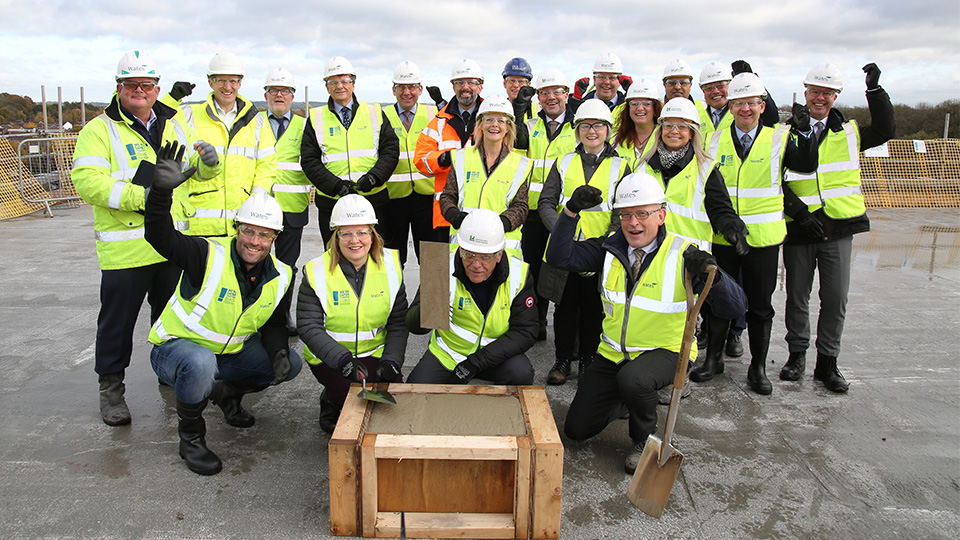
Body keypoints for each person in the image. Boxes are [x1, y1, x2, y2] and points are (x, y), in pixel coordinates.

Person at [544, 173, 746, 473]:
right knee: (576, 429)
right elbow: (559, 256)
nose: (634, 223)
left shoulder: (683, 254)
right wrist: (571, 211)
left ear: (661, 215)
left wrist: (711, 274)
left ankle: (644, 439)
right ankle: (628, 400)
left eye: (642, 214)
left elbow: (735, 306)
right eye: (626, 215)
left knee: (635, 379)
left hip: (666, 351)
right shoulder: (610, 250)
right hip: (614, 353)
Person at [72, 51, 221, 426]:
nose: (140, 91)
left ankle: (169, 373)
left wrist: (208, 163)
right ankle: (111, 391)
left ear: (157, 90)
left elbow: (193, 175)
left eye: (147, 86)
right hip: (126, 249)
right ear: (119, 89)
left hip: (170, 243)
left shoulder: (174, 125)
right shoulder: (99, 130)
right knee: (116, 325)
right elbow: (89, 183)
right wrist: (149, 197)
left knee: (171, 318)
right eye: (132, 85)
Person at [144, 142, 302, 475]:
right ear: (237, 229)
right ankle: (191, 438)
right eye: (248, 231)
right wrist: (160, 193)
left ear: (275, 239)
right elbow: (159, 237)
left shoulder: (282, 274)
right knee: (200, 363)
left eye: (264, 235)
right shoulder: (205, 255)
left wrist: (278, 353)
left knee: (292, 364)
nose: (255, 242)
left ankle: (227, 394)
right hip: (176, 352)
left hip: (227, 355)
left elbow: (274, 322)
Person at [694, 73, 819, 394]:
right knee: (718, 299)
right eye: (738, 103)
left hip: (763, 240)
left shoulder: (779, 138)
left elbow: (805, 166)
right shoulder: (713, 140)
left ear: (762, 106)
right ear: (730, 105)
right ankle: (714, 360)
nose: (744, 109)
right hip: (723, 238)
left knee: (760, 305)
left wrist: (804, 134)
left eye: (751, 103)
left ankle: (758, 367)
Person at [780, 62, 895, 393]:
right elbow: (774, 180)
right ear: (805, 93)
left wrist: (875, 90)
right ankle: (796, 357)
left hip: (838, 227)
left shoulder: (850, 132)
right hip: (801, 227)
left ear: (835, 96)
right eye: (815, 92)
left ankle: (827, 363)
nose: (820, 98)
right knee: (796, 296)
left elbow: (886, 129)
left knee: (834, 298)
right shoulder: (787, 133)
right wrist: (799, 213)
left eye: (827, 93)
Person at [538, 99, 630, 385]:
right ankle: (563, 359)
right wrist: (561, 233)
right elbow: (546, 202)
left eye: (598, 126)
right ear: (577, 130)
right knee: (564, 307)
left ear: (608, 130)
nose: (592, 131)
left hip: (600, 252)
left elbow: (621, 212)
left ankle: (589, 359)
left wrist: (602, 246)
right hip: (566, 251)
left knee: (595, 308)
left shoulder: (621, 166)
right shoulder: (564, 162)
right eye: (585, 126)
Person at [297, 195, 407, 434]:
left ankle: (344, 393)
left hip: (374, 353)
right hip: (332, 359)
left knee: (389, 403)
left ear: (373, 234)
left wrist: (392, 360)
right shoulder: (316, 271)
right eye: (346, 233)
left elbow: (398, 323)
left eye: (362, 232)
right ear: (335, 237)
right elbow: (308, 326)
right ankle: (332, 399)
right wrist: (342, 360)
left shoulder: (391, 266)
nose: (354, 240)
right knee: (352, 397)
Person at [406, 209, 537, 385]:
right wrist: (428, 311)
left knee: (521, 373)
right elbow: (415, 327)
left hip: (495, 354)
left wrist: (476, 363)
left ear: (499, 255)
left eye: (485, 257)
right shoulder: (439, 262)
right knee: (415, 390)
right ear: (460, 249)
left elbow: (525, 331)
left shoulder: (519, 274)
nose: (476, 264)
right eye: (469, 254)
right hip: (449, 354)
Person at [167, 51, 277, 237]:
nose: (228, 87)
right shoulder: (189, 115)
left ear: (240, 83)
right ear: (211, 82)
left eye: (233, 81)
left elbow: (267, 166)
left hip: (241, 223)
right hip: (200, 225)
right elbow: (154, 120)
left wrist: (255, 203)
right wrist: (171, 98)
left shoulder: (256, 121)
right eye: (221, 81)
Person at [301, 56, 400, 245]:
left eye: (345, 81)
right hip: (332, 203)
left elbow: (390, 151)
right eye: (333, 82)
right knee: (335, 259)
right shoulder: (316, 117)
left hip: (373, 200)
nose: (340, 86)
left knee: (376, 257)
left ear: (353, 84)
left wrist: (374, 178)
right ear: (327, 87)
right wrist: (336, 186)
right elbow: (309, 160)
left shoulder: (374, 112)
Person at [521, 68, 578, 340]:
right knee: (533, 268)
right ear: (538, 98)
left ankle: (568, 327)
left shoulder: (579, 127)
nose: (551, 98)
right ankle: (538, 322)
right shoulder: (530, 126)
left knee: (564, 269)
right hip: (532, 214)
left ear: (567, 94)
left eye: (557, 91)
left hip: (564, 214)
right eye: (545, 93)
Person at [438, 95, 531, 260]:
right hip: (464, 244)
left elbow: (521, 206)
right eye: (489, 119)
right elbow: (448, 196)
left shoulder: (520, 164)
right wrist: (456, 216)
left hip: (503, 248)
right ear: (480, 124)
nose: (495, 125)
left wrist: (499, 225)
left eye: (501, 121)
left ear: (509, 127)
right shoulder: (461, 157)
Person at [261, 67, 310, 334]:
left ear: (292, 97)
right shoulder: (254, 124)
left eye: (285, 91)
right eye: (274, 91)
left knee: (286, 268)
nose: (280, 95)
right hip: (259, 209)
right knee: (254, 265)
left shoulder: (304, 126)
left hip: (293, 207)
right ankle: (256, 316)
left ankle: (281, 317)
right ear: (266, 95)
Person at [414, 59, 485, 239]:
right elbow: (420, 158)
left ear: (480, 86)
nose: (465, 87)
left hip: (483, 213)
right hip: (447, 215)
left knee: (479, 267)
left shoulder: (492, 119)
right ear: (453, 87)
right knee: (443, 267)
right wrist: (442, 159)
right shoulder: (438, 122)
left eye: (471, 82)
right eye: (460, 82)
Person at [380, 61, 439, 266]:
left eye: (412, 87)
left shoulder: (434, 115)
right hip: (392, 197)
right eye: (401, 87)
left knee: (432, 257)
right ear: (393, 90)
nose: (407, 92)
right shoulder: (381, 116)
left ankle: (431, 298)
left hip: (428, 197)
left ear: (420, 89)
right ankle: (394, 297)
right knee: (391, 257)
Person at [697, 60, 781, 139]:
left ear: (731, 84)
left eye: (721, 85)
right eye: (708, 88)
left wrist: (752, 81)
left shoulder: (743, 113)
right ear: (702, 90)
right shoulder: (696, 117)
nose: (715, 91)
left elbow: (772, 117)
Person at [613, 78, 661, 169]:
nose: (639, 108)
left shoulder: (664, 138)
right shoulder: (616, 140)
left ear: (655, 107)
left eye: (646, 104)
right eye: (634, 104)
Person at [572, 52, 631, 117]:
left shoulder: (628, 108)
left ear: (619, 81)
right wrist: (575, 100)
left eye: (612, 78)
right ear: (594, 79)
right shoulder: (582, 106)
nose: (607, 82)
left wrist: (632, 94)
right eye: (602, 77)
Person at [502, 57, 538, 123]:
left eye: (521, 81)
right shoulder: (499, 109)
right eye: (512, 81)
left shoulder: (539, 112)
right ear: (504, 83)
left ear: (528, 84)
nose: (516, 85)